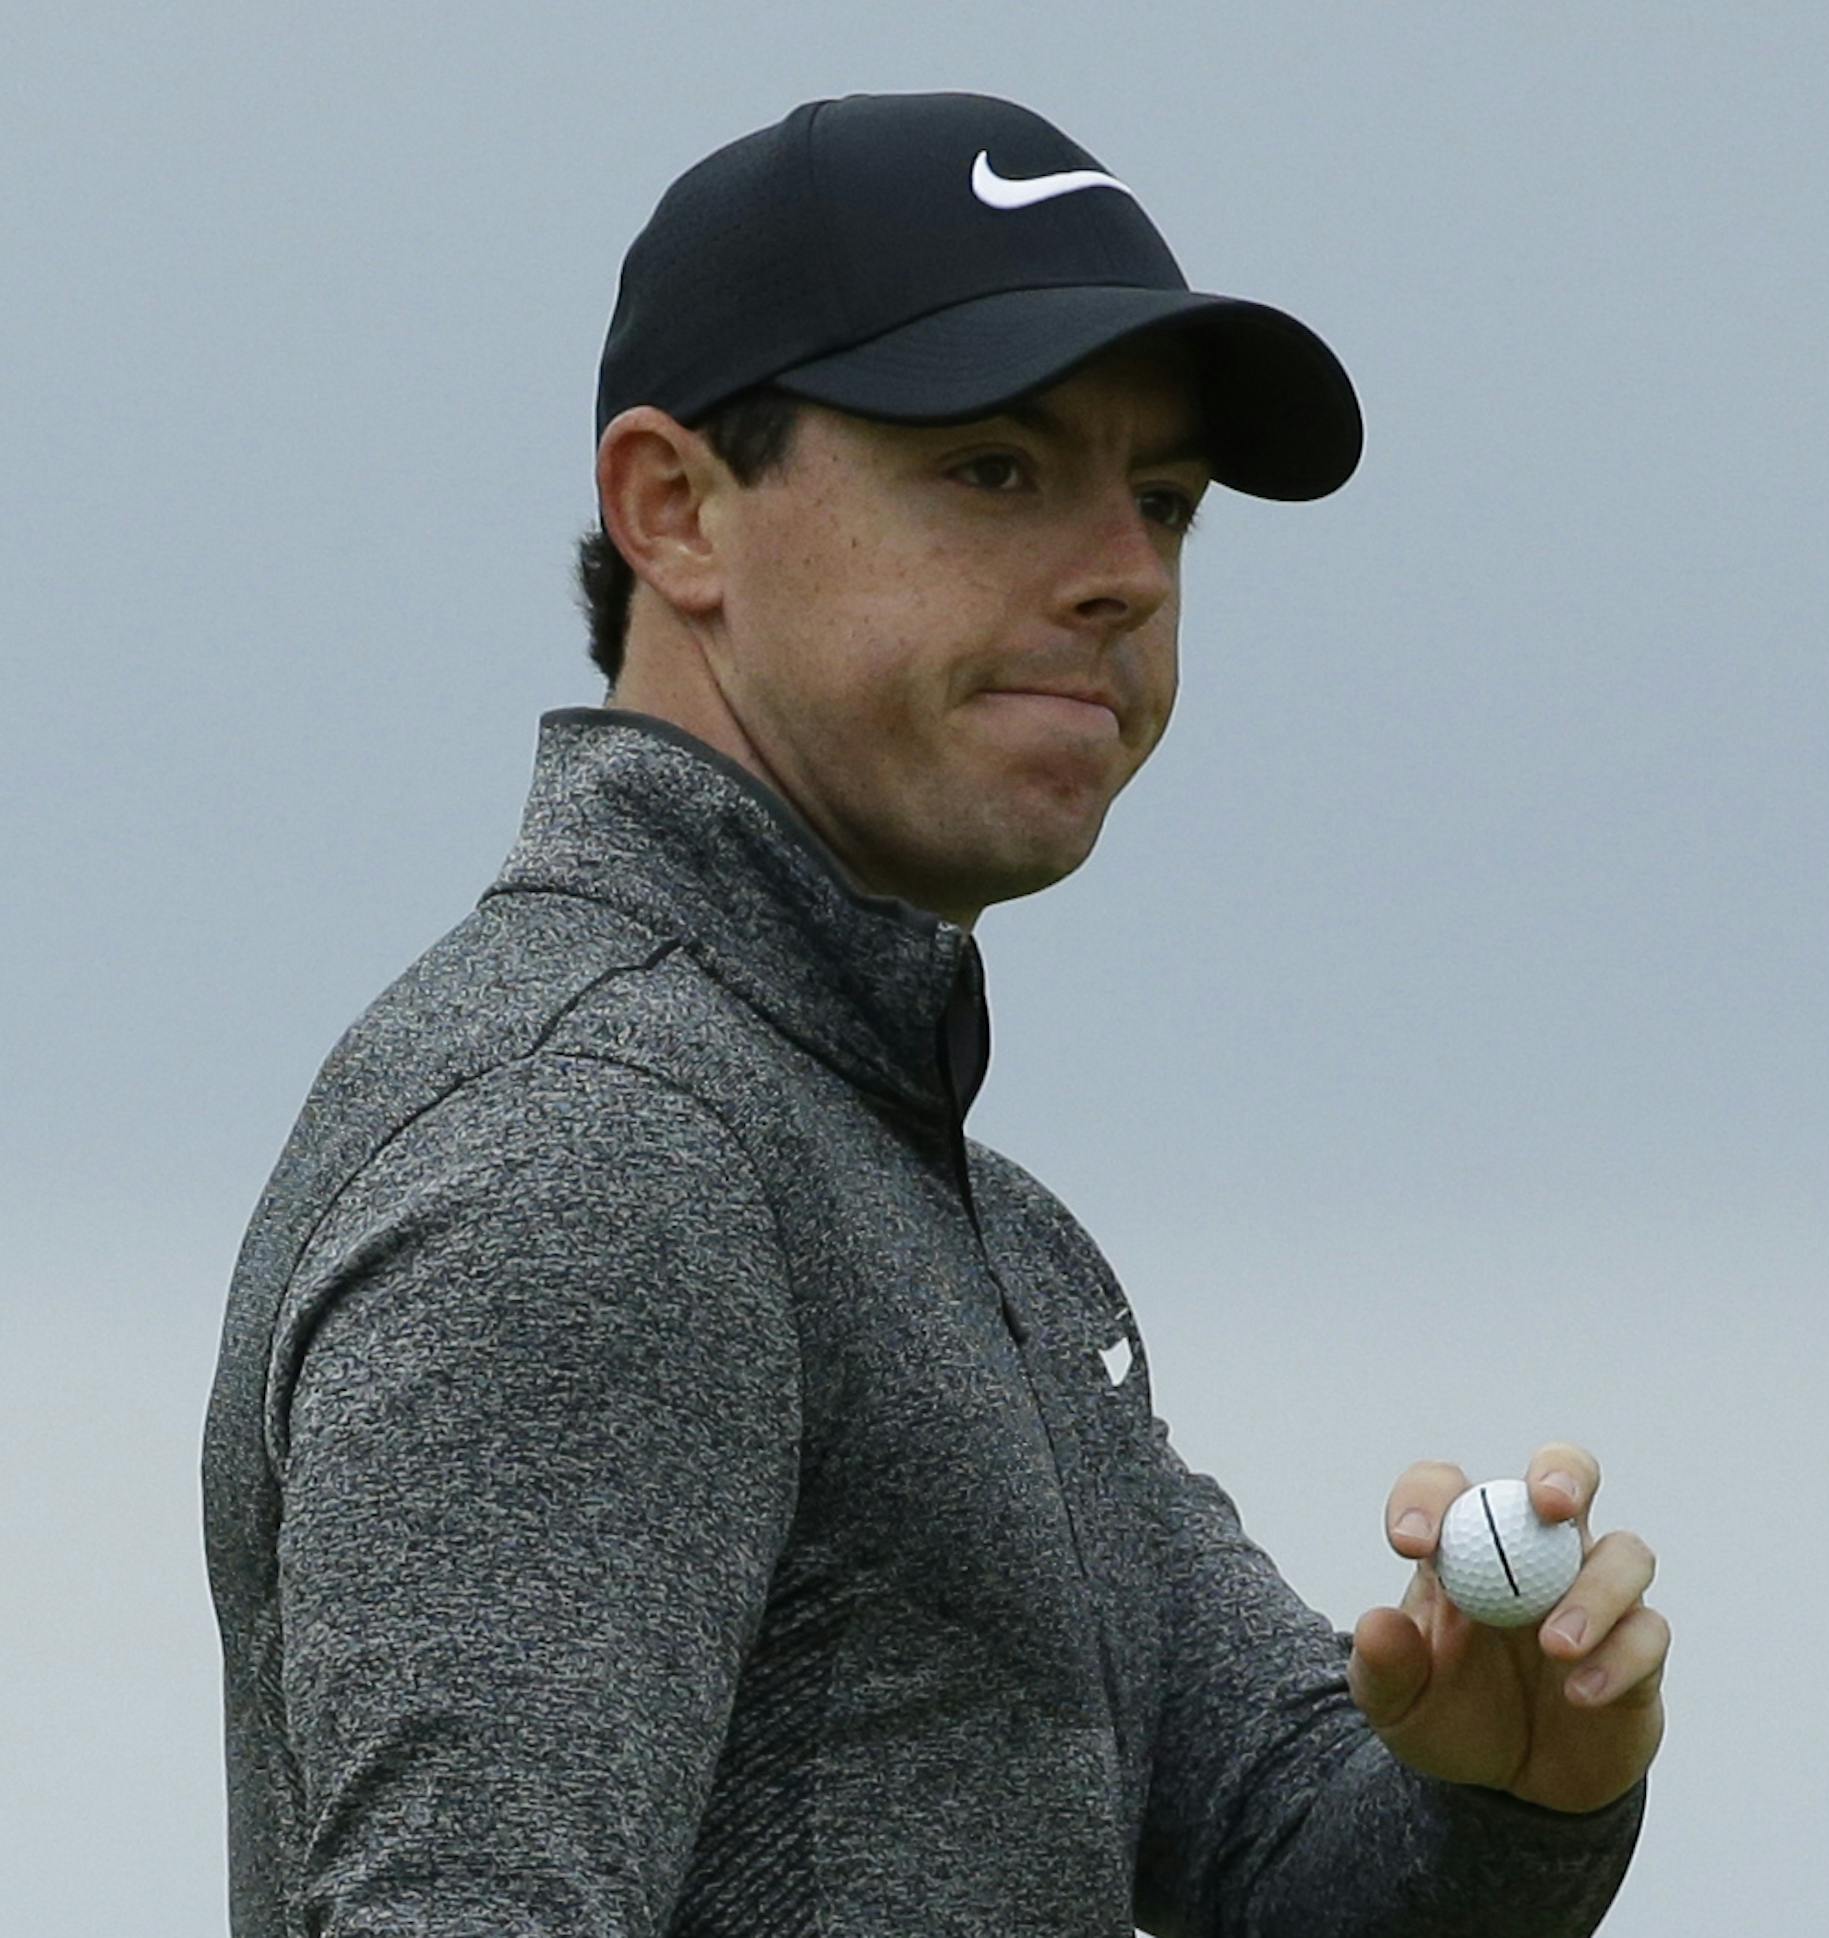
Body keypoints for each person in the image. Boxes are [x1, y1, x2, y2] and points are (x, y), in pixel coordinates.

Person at [201, 91, 1666, 1937]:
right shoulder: (591, 1154)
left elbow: (1286, 1848)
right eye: (995, 468)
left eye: (1163, 501)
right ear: (677, 512)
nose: (1127, 570)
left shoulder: (951, 1215)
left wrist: (1506, 1791)